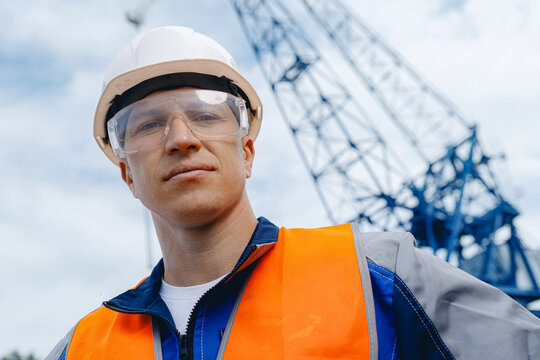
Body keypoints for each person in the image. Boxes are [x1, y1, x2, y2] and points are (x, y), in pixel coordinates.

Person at [46, 26, 540, 360]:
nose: (181, 138)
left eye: (206, 115)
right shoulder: (85, 346)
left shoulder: (380, 277)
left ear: (248, 152)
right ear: (127, 174)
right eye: (149, 126)